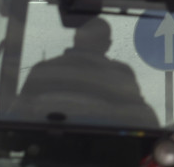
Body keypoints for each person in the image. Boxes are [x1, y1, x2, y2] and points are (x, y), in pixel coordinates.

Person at [12, 18, 157, 127]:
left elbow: (16, 120)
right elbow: (143, 120)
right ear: (107, 45)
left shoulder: (42, 70)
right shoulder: (120, 75)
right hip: (106, 161)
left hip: (40, 158)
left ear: (75, 39)